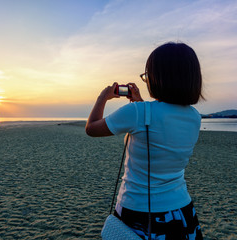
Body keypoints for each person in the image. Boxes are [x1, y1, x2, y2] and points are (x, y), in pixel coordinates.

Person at [86, 42, 204, 239]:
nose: (146, 80)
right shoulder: (194, 116)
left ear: (159, 77)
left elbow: (92, 128)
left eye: (147, 75)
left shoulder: (138, 113)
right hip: (182, 210)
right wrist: (140, 102)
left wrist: (103, 97)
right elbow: (157, 127)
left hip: (139, 209)